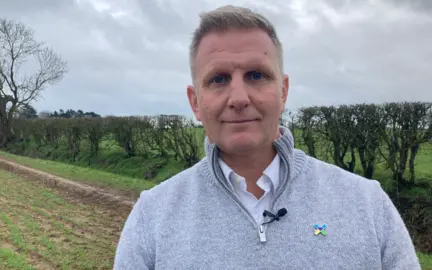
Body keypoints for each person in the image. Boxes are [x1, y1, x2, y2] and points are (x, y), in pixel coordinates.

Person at [114, 5, 421, 269]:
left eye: (256, 75)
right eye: (218, 79)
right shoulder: (151, 216)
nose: (239, 97)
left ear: (283, 92)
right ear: (195, 102)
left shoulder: (367, 204)